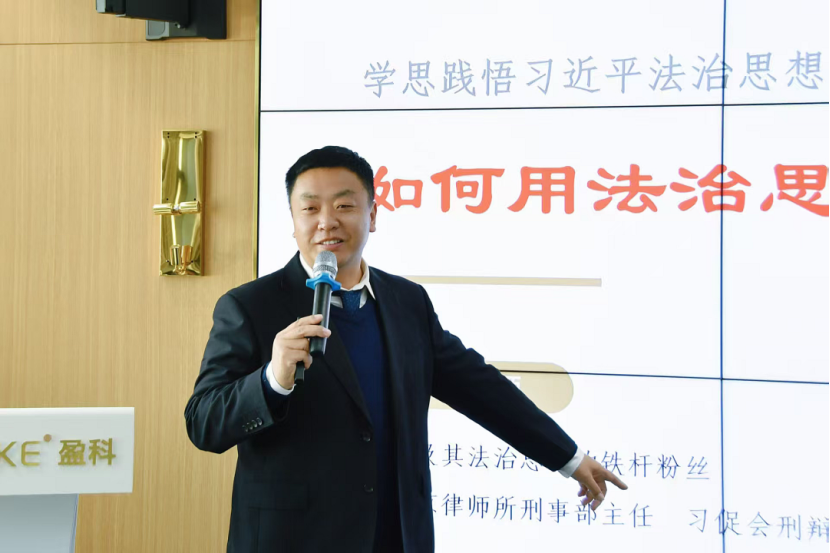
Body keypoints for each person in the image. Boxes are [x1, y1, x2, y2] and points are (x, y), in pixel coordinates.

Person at [185, 146, 627, 553]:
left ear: (372, 215)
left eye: (344, 206)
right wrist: (270, 381)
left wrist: (567, 457)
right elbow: (203, 422)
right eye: (310, 208)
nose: (327, 221)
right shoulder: (250, 306)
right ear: (293, 219)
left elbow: (481, 389)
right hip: (294, 539)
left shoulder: (406, 302)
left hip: (396, 536)